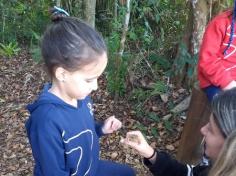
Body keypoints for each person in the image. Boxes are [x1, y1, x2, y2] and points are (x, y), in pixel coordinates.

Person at [25, 6, 136, 176]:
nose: (96, 86)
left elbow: (82, 130)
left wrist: (101, 129)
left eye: (98, 78)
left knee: (127, 173)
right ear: (62, 74)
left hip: (90, 168)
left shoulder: (81, 97)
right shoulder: (46, 121)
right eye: (89, 79)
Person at [121, 88, 236, 176]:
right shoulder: (212, 167)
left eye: (211, 129)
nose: (202, 130)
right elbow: (189, 174)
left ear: (231, 147)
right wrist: (151, 154)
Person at [198, 1, 236, 101]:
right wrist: (228, 83)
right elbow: (207, 61)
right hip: (214, 80)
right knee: (228, 109)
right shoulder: (220, 23)